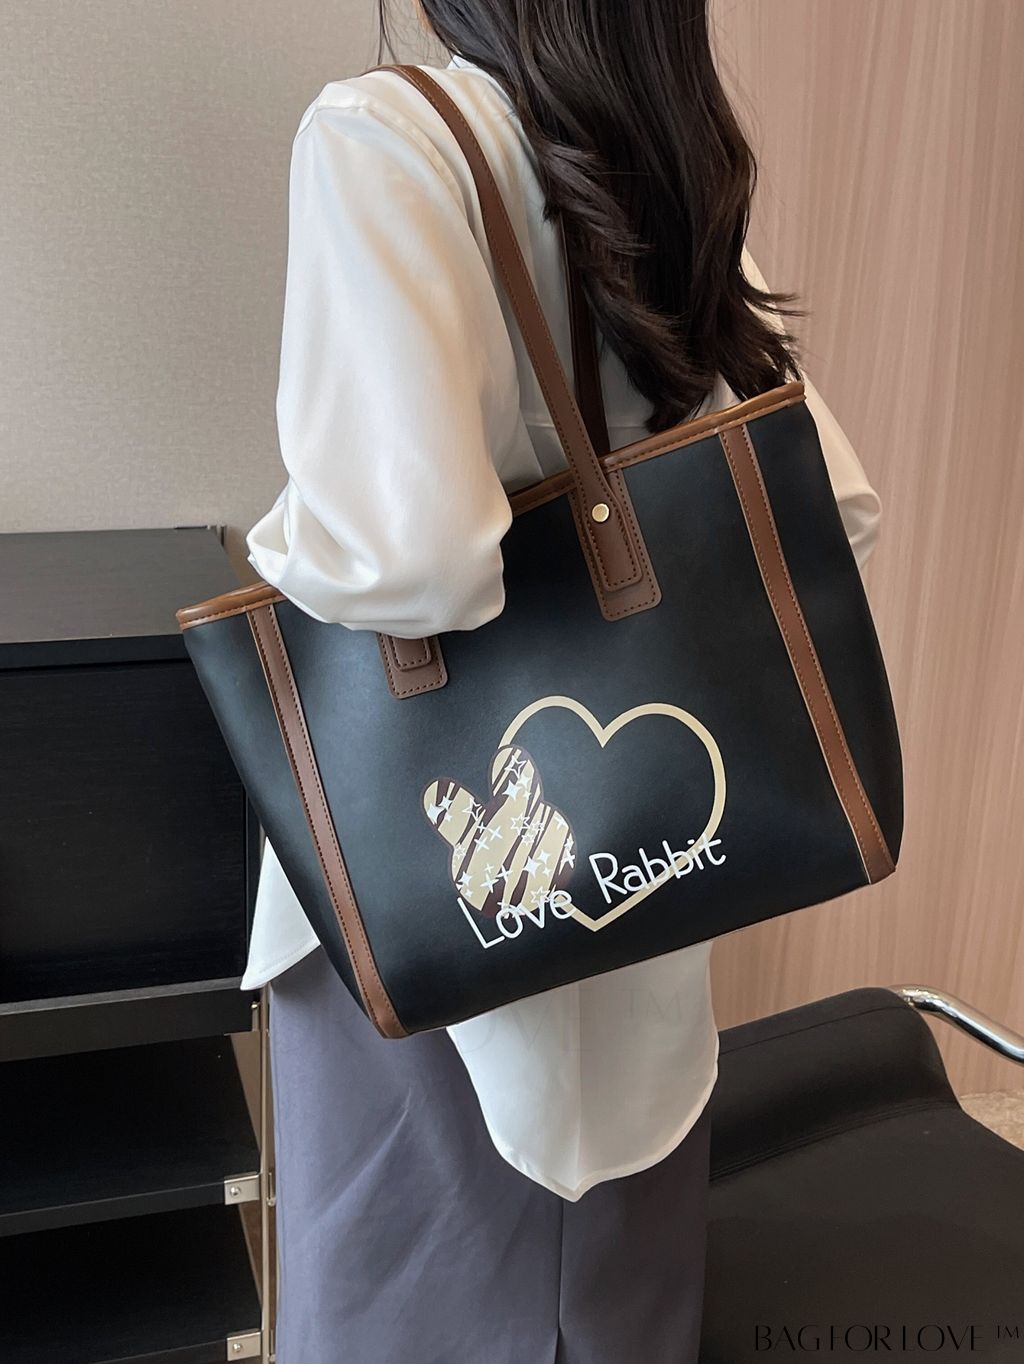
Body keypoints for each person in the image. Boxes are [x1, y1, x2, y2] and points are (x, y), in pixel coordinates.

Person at [242, 5, 883, 1360]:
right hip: (645, 857)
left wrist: (276, 546)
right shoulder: (653, 154)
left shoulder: (387, 135)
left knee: (408, 1304)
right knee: (614, 1307)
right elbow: (830, 504)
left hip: (422, 867)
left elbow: (408, 558)